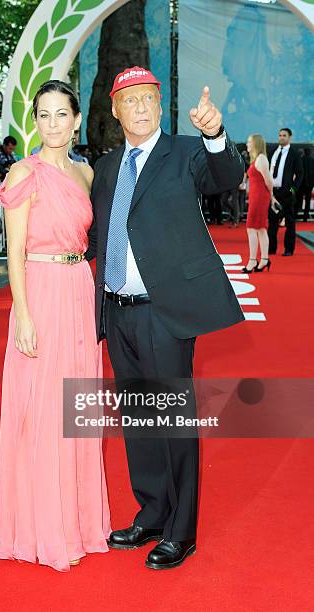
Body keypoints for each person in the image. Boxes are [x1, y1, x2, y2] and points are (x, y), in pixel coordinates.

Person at [86, 66, 245, 570]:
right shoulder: (108, 166)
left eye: (147, 98)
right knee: (137, 419)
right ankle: (152, 512)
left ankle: (181, 529)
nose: (139, 107)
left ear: (160, 105)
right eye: (128, 100)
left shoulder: (185, 152)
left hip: (164, 312)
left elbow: (226, 178)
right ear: (115, 110)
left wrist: (216, 135)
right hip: (118, 311)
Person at [0, 80, 111, 572]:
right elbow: (14, 252)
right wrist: (22, 315)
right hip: (39, 292)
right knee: (40, 411)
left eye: (62, 114)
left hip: (78, 290)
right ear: (34, 120)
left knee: (76, 409)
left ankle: (79, 523)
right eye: (44, 114)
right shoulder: (24, 172)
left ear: (77, 119)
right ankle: (45, 528)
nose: (54, 123)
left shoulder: (86, 174)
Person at [267, 128, 303, 256]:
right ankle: (271, 249)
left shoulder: (294, 154)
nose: (281, 137)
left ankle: (289, 249)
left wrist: (293, 189)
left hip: (287, 193)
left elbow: (300, 173)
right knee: (272, 223)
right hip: (273, 193)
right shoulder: (273, 152)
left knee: (289, 222)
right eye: (280, 135)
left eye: (284, 135)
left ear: (290, 137)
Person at [242, 134, 274, 273]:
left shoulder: (261, 159)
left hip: (260, 197)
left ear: (256, 143)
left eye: (249, 142)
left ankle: (252, 260)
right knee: (260, 228)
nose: (247, 144)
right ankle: (265, 260)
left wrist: (271, 197)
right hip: (257, 196)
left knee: (251, 228)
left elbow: (269, 181)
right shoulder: (257, 159)